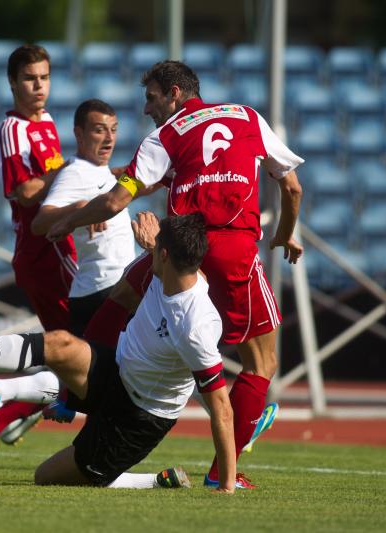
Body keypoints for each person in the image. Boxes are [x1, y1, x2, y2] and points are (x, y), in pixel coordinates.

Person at [46, 60, 304, 488]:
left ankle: (76, 395)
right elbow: (292, 187)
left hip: (178, 248)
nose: (146, 109)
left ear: (175, 94)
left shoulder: (164, 136)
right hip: (233, 252)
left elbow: (116, 201)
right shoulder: (247, 117)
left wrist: (68, 221)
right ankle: (223, 474)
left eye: (151, 98)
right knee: (261, 362)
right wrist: (284, 234)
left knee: (122, 296)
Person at [0, 213, 237, 492]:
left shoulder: (194, 326)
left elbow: (221, 407)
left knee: (46, 477)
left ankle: (152, 480)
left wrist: (226, 485)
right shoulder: (170, 270)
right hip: (116, 370)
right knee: (59, 343)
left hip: (138, 417)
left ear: (164, 254)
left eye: (155, 246)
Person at [0, 43, 79, 468]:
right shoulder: (13, 129)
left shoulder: (48, 121)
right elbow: (25, 192)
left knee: (77, 355)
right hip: (42, 252)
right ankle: (0, 403)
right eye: (30, 78)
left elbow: (56, 187)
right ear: (12, 83)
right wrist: (74, 175)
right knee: (84, 351)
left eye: (44, 77)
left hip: (59, 248)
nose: (39, 85)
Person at [31, 98, 135, 335]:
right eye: (99, 130)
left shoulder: (101, 171)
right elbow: (39, 223)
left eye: (114, 129)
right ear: (79, 134)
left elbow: (128, 191)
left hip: (110, 287)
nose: (109, 138)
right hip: (101, 291)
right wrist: (80, 208)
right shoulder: (75, 173)